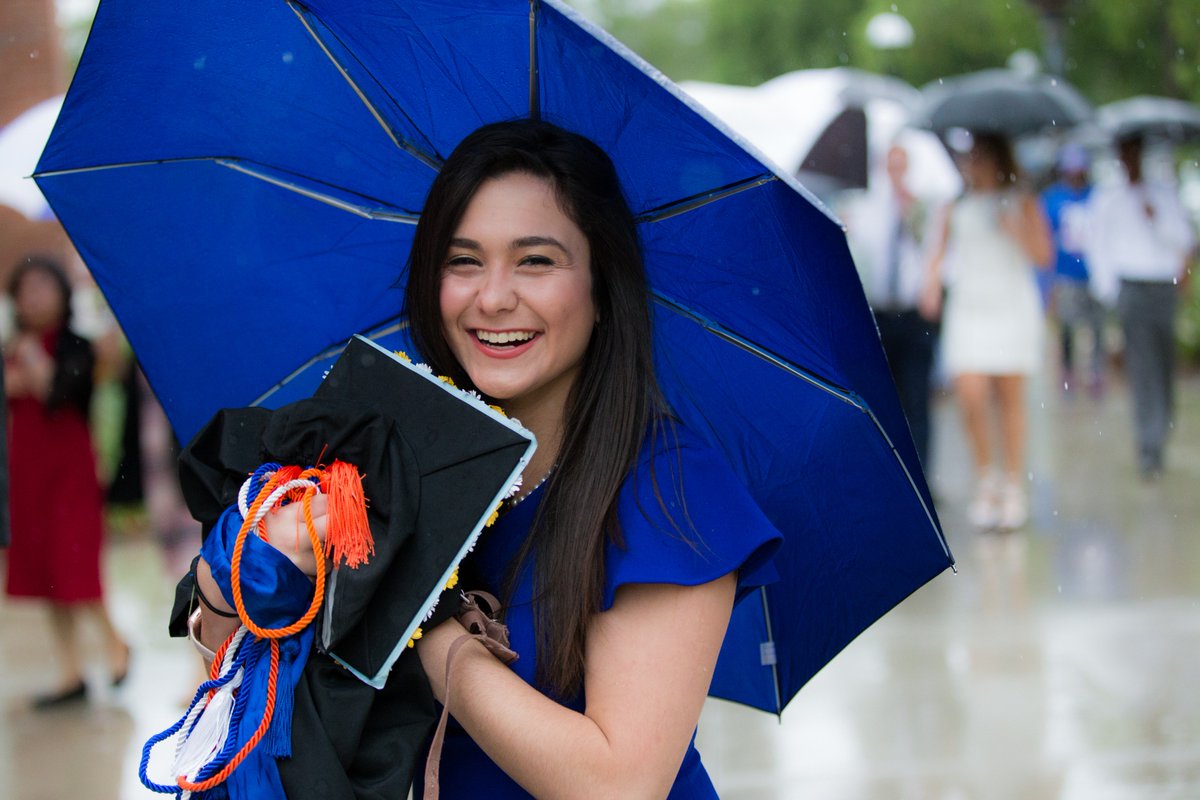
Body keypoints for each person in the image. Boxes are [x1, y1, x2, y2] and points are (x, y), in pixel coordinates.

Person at [187, 119, 782, 797]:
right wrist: (237, 575)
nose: (493, 298)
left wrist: (417, 621)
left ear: (602, 287)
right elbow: (242, 690)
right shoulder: (391, 456)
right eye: (463, 261)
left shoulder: (671, 487)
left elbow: (618, 785)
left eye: (537, 261)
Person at [2, 255, 130, 708]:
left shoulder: (76, 345)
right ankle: (71, 671)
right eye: (26, 289)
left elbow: (54, 392)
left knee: (73, 562)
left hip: (69, 470)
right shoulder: (11, 346)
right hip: (26, 473)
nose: (34, 297)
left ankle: (116, 644)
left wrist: (30, 358)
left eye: (43, 287)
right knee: (44, 571)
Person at [920, 133, 1052, 530]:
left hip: (1011, 304)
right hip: (970, 307)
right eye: (969, 157)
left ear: (998, 159)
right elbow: (937, 252)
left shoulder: (1021, 201)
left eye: (980, 157)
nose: (972, 165)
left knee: (1010, 398)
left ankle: (1012, 483)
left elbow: (1044, 256)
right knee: (971, 394)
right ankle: (986, 476)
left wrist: (1016, 229)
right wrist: (931, 284)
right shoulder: (955, 205)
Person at [1085, 134, 1196, 479]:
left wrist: (1156, 218)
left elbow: (1184, 241)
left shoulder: (1163, 194)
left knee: (1163, 363)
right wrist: (1109, 292)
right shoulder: (1108, 198)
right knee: (1142, 365)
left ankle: (1161, 426)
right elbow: (1098, 247)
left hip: (1162, 287)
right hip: (1131, 288)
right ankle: (1148, 442)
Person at [845, 143, 938, 467]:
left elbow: (933, 251)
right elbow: (864, 251)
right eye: (891, 165)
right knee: (885, 399)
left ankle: (922, 471)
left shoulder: (922, 206)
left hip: (913, 314)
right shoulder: (871, 208)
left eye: (901, 165)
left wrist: (910, 214)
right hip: (881, 313)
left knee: (917, 398)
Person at [1041, 142, 1106, 398]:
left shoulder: (1098, 197)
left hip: (1095, 273)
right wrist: (1048, 280)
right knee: (1067, 326)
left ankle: (1096, 373)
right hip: (1066, 274)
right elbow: (1046, 240)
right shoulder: (1053, 199)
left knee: (1097, 325)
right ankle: (1067, 373)